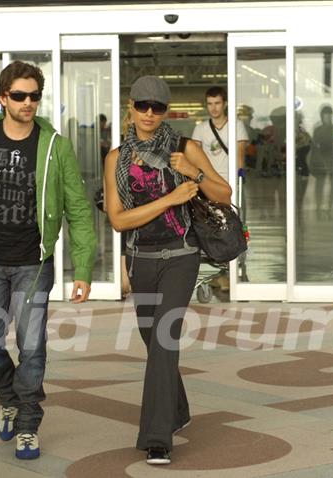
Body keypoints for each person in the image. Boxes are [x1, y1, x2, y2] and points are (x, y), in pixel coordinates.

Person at [0, 61, 96, 460]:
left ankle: (27, 423)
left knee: (32, 347)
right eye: (20, 96)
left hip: (33, 264)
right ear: (3, 98)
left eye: (35, 96)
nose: (29, 103)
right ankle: (8, 396)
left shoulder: (55, 144)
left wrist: (83, 267)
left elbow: (77, 208)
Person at [103, 76, 231, 465]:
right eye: (142, 105)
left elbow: (224, 194)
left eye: (157, 108)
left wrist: (194, 176)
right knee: (152, 340)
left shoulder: (185, 148)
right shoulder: (116, 158)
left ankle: (157, 437)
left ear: (166, 111)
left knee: (163, 340)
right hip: (140, 259)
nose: (149, 114)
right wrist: (171, 198)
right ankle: (178, 410)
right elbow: (119, 220)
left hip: (181, 256)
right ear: (131, 106)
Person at [191, 86, 249, 182]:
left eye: (217, 103)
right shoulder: (200, 129)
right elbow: (194, 156)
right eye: (210, 104)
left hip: (231, 178)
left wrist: (240, 174)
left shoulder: (237, 125)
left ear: (225, 104)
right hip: (209, 180)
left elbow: (240, 153)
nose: (213, 108)